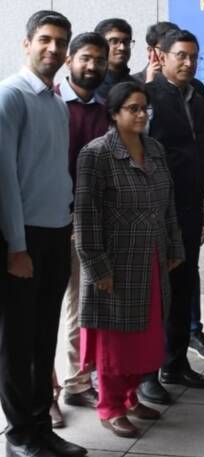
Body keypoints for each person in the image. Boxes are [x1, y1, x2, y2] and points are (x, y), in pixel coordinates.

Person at [0, 10, 88, 457]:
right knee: (16, 344)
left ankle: (40, 428)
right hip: (23, 238)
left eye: (60, 42)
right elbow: (4, 181)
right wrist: (16, 247)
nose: (53, 49)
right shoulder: (10, 97)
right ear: (27, 43)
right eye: (45, 40)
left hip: (56, 233)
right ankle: (18, 437)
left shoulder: (55, 103)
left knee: (42, 338)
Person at [75, 81, 184, 437]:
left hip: (151, 256)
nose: (140, 115)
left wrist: (174, 246)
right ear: (114, 113)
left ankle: (131, 396)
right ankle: (110, 406)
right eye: (132, 109)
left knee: (145, 335)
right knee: (116, 341)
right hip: (115, 262)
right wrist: (97, 266)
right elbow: (86, 216)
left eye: (144, 108)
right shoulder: (96, 153)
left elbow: (168, 203)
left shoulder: (154, 148)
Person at [138, 29, 204, 404]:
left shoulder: (198, 92)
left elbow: (203, 148)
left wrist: (201, 207)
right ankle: (146, 374)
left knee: (183, 288)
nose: (188, 63)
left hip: (189, 207)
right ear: (161, 56)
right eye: (181, 55)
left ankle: (175, 362)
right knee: (156, 294)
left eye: (194, 56)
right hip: (157, 211)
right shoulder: (147, 96)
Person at [54, 31, 111, 423]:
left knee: (80, 306)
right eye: (85, 58)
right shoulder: (53, 103)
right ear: (69, 60)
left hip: (90, 223)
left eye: (99, 60)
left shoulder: (105, 110)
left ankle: (76, 382)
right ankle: (45, 392)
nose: (92, 66)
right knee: (43, 312)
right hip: (48, 220)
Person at [93, 18, 139, 98]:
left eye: (126, 42)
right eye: (114, 41)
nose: (122, 48)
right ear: (99, 45)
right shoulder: (89, 86)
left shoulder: (138, 87)